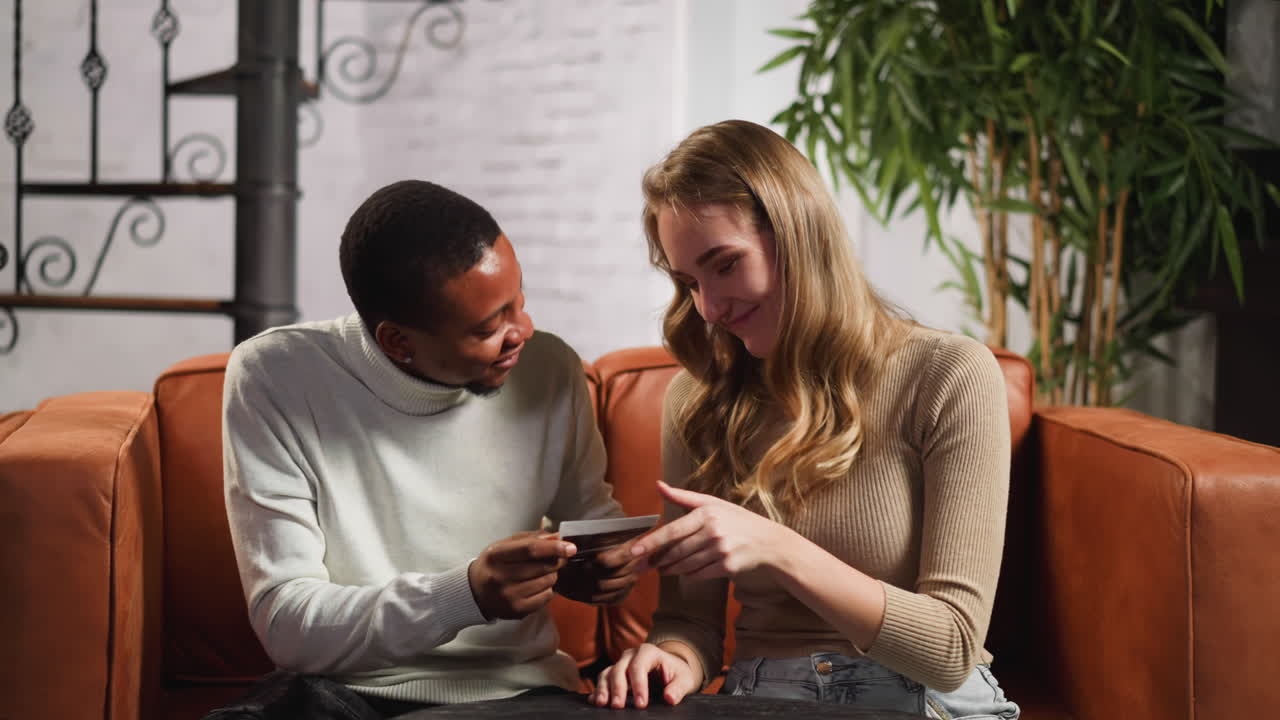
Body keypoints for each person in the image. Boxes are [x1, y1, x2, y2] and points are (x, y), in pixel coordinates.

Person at [589, 120, 1021, 719]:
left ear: (799, 235)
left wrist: (776, 548)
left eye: (725, 265)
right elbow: (690, 623)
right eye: (689, 282)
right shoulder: (698, 399)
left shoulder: (949, 374)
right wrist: (670, 660)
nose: (709, 309)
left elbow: (950, 648)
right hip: (761, 700)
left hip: (926, 702)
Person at [210, 180, 640, 720]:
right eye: (489, 328)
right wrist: (465, 595)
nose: (523, 332)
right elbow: (289, 625)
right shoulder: (277, 376)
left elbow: (593, 515)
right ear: (397, 342)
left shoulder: (550, 370)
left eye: (520, 303)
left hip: (519, 697)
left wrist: (606, 567)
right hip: (339, 697)